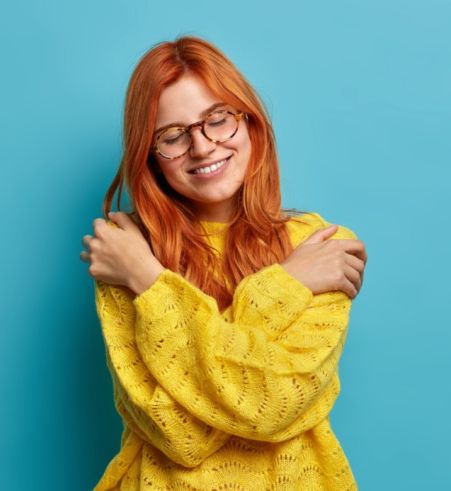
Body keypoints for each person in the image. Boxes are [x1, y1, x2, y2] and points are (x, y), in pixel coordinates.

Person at [79, 35, 368, 490]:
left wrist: (151, 288)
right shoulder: (127, 253)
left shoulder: (321, 246)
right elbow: (179, 435)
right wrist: (149, 276)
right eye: (172, 136)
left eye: (217, 120)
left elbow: (270, 406)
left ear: (250, 122)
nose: (202, 146)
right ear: (150, 157)